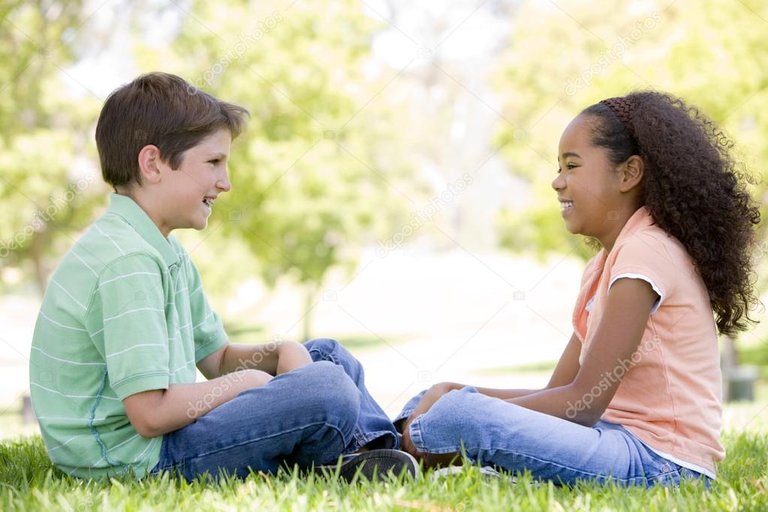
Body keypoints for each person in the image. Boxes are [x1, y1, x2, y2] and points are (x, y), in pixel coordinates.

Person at [28, 72, 417, 481]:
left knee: (328, 357)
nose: (225, 183)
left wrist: (277, 352)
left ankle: (375, 454)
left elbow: (215, 360)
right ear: (153, 163)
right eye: (213, 162)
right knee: (327, 388)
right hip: (137, 459)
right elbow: (150, 414)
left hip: (164, 434)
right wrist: (247, 382)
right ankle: (352, 460)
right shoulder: (126, 262)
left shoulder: (162, 248)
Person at [396, 91, 760, 487]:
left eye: (571, 166)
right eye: (559, 167)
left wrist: (462, 403)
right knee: (433, 398)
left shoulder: (646, 252)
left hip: (663, 463)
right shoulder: (605, 264)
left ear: (628, 173)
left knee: (457, 415)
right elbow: (558, 393)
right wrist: (452, 389)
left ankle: (393, 451)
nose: (557, 182)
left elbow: (582, 404)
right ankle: (391, 450)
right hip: (613, 441)